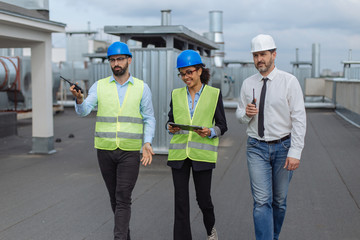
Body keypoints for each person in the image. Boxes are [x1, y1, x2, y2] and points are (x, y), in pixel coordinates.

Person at [69, 41, 156, 240]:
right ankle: (125, 236)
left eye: (120, 59)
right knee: (114, 199)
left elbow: (149, 117)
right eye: (112, 60)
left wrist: (147, 142)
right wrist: (80, 100)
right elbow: (84, 111)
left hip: (129, 151)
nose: (116, 63)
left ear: (129, 60)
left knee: (123, 197)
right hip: (105, 150)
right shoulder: (99, 86)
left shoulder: (142, 88)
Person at [236, 34, 306, 240]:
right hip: (256, 147)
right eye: (256, 55)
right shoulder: (248, 84)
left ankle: (272, 236)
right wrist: (245, 114)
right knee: (261, 201)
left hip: (283, 147)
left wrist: (296, 152)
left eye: (263, 54)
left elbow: (299, 119)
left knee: (279, 201)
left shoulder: (289, 82)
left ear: (274, 55)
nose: (260, 59)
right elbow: (239, 115)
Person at [167, 50, 227, 240]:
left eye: (189, 72)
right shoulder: (176, 95)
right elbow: (170, 121)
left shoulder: (214, 94)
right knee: (181, 201)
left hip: (202, 155)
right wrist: (170, 128)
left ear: (200, 71)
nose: (186, 77)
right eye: (182, 73)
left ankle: (210, 230)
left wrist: (210, 132)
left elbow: (222, 125)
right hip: (179, 155)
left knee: (203, 200)